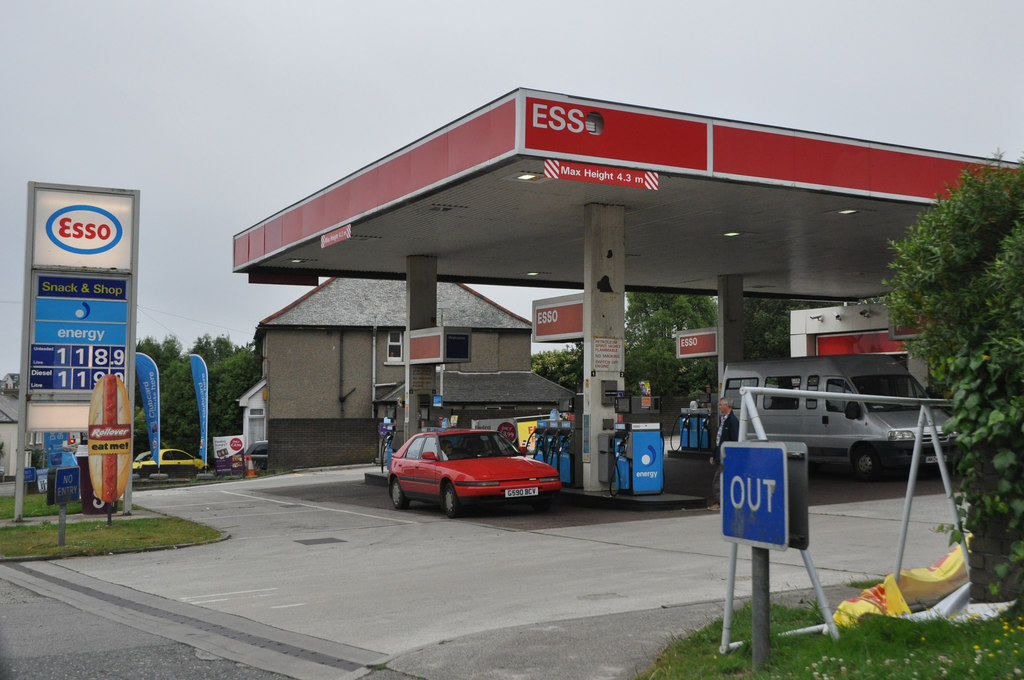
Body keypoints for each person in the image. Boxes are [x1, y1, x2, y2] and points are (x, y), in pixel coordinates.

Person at [709, 397, 739, 511]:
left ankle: (719, 502)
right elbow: (718, 439)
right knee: (721, 479)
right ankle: (723, 501)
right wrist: (714, 454)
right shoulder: (724, 420)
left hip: (726, 456)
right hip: (721, 455)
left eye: (721, 404)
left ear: (727, 406)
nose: (719, 407)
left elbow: (734, 439)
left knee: (718, 479)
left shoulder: (732, 421)